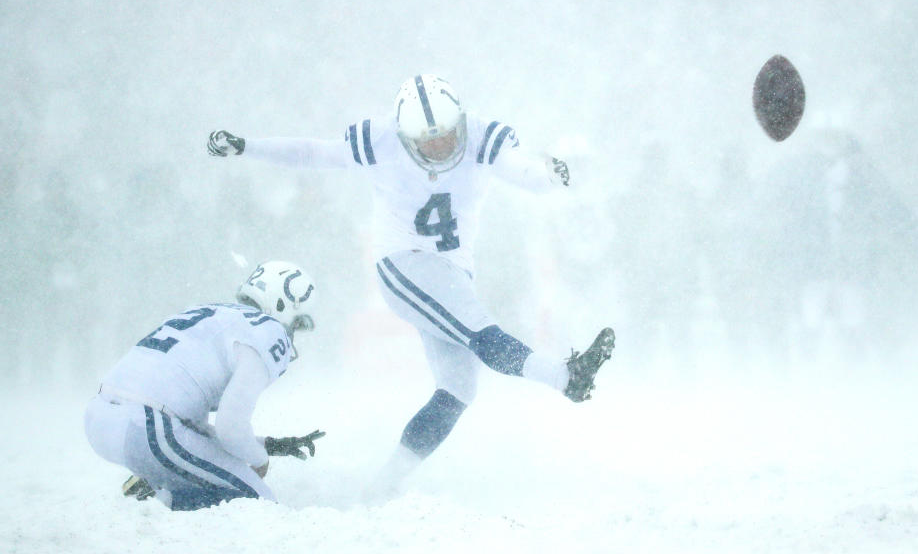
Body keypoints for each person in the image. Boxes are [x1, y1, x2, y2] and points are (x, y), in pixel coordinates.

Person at [207, 74, 615, 495]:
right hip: (403, 263)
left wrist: (548, 176)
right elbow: (315, 152)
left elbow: (520, 169)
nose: (441, 146)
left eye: (448, 135)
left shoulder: (479, 133)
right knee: (480, 329)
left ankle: (383, 485)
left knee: (458, 389)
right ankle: (565, 377)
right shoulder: (381, 140)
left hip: (452, 272)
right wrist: (246, 146)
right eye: (428, 141)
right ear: (405, 136)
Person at [84, 261, 326, 511]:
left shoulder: (211, 312)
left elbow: (188, 426)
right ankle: (160, 493)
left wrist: (269, 444)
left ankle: (160, 482)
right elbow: (230, 427)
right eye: (296, 323)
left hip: (101, 417)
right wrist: (260, 459)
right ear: (283, 304)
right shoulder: (268, 330)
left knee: (211, 473)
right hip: (147, 428)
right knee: (259, 504)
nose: (292, 333)